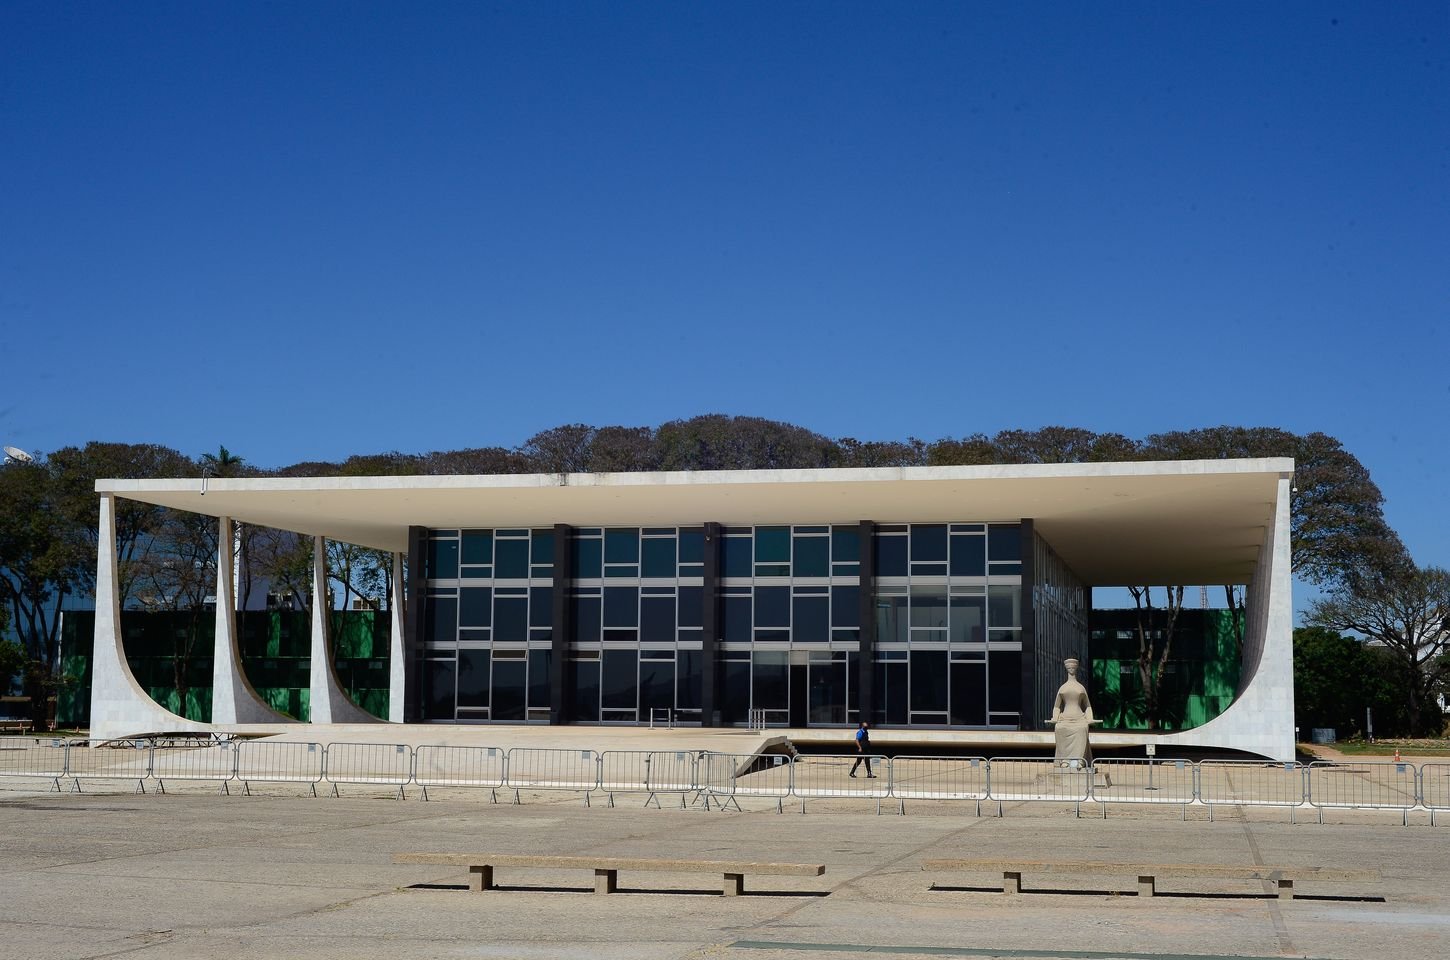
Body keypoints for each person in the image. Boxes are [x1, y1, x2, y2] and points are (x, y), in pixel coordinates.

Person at [1047, 657, 1101, 767]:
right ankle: (1065, 760)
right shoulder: (1063, 688)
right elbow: (1057, 707)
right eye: (1069, 667)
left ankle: (1079, 760)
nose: (1071, 669)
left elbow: (1088, 706)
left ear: (1076, 669)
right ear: (1067, 669)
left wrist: (1090, 718)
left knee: (1082, 729)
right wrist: (1054, 717)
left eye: (1073, 667)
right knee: (1059, 728)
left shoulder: (1081, 688)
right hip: (1065, 718)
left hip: (1079, 718)